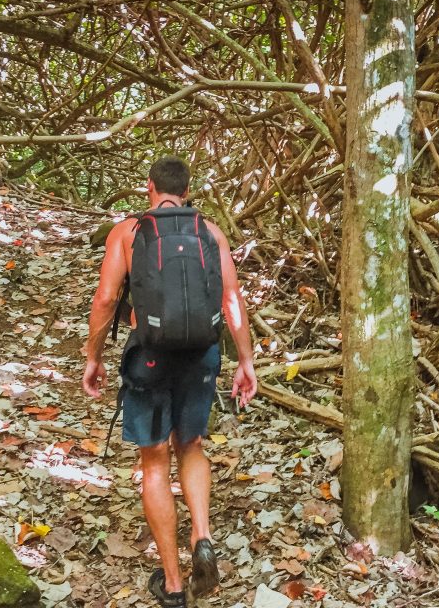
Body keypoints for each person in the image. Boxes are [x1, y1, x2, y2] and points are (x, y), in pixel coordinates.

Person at [82, 156, 258, 608]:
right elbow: (232, 298)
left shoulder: (129, 232)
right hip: (202, 353)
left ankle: (175, 586)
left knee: (155, 462)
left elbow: (105, 299)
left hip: (151, 355)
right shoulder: (210, 231)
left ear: (149, 187)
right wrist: (245, 359)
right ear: (187, 189)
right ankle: (202, 534)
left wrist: (93, 356)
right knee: (192, 445)